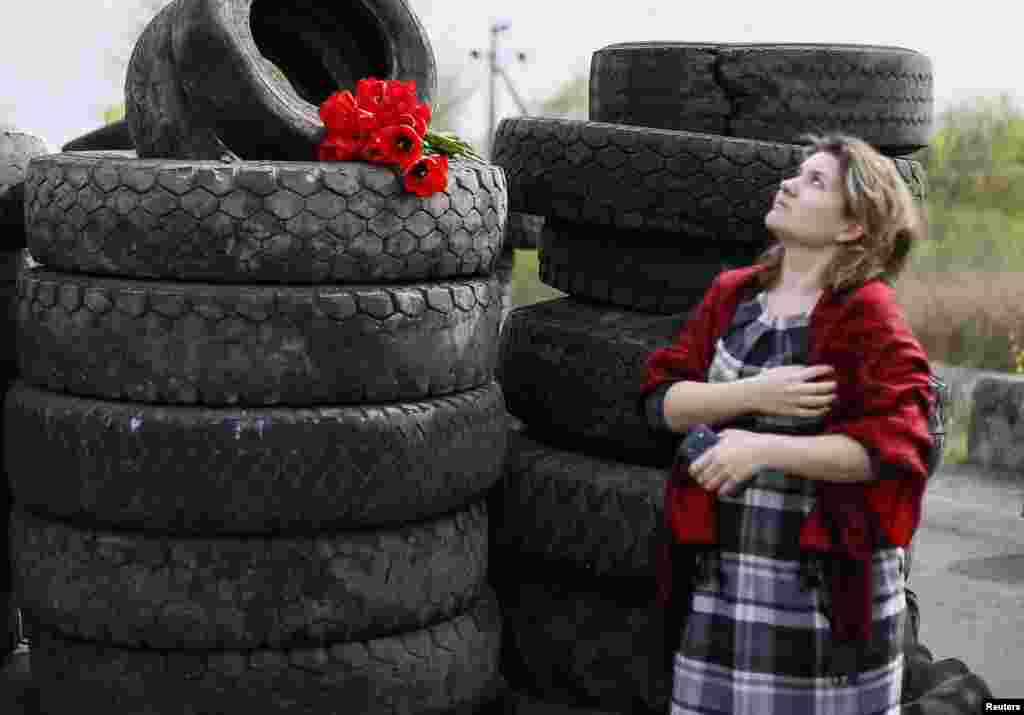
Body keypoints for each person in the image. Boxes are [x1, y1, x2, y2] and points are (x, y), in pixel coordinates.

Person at [640, 134, 935, 714]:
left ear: (853, 228)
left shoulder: (866, 312)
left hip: (820, 599)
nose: (788, 184)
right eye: (797, 174)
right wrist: (751, 394)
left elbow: (900, 449)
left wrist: (762, 449)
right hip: (721, 588)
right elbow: (660, 402)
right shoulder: (733, 296)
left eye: (815, 182)